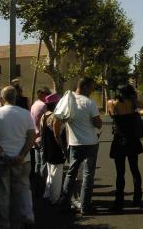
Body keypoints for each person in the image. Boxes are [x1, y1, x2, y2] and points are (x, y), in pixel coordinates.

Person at [0, 86, 36, 229]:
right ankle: (27, 216)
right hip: (22, 160)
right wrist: (21, 155)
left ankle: (3, 223)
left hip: (0, 161)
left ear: (1, 99)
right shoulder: (26, 114)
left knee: (2, 193)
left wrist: (2, 154)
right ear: (15, 98)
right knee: (23, 188)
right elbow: (31, 136)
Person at [59, 77, 102, 215]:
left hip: (74, 143)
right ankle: (85, 206)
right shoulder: (89, 103)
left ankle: (64, 202)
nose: (92, 91)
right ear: (85, 87)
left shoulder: (67, 101)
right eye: (91, 88)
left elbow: (59, 119)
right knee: (88, 175)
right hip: (90, 143)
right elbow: (98, 123)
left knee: (71, 173)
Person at [107, 84, 143, 212]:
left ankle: (119, 202)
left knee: (120, 173)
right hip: (132, 140)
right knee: (135, 170)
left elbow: (110, 114)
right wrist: (138, 113)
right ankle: (137, 199)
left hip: (119, 140)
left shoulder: (111, 102)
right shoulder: (133, 103)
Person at [40, 93, 65, 204]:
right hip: (55, 148)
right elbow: (57, 134)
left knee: (50, 172)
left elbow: (42, 131)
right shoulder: (55, 117)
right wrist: (63, 147)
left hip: (46, 147)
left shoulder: (44, 115)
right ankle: (55, 197)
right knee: (56, 173)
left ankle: (47, 193)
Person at [30, 87, 50, 179]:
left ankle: (36, 184)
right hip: (42, 137)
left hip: (35, 136)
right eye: (47, 95)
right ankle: (42, 186)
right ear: (42, 95)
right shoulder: (43, 106)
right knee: (43, 164)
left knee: (37, 164)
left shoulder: (34, 104)